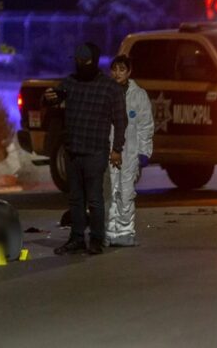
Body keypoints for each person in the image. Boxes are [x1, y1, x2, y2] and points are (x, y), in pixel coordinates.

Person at [44, 43, 128, 255]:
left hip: (95, 151)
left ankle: (97, 240)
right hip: (73, 150)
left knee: (94, 199)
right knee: (75, 200)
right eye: (79, 61)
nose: (82, 65)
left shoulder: (110, 88)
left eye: (86, 61)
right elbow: (53, 98)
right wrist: (48, 97)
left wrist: (117, 148)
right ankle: (77, 239)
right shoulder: (70, 83)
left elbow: (120, 120)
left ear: (95, 61)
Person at [105, 55, 154, 247]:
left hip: (130, 152)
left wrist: (144, 152)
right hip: (109, 151)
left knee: (126, 193)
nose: (117, 73)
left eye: (122, 69)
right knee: (110, 192)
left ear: (129, 72)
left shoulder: (138, 95)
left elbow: (145, 125)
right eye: (115, 69)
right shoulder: (107, 93)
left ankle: (125, 232)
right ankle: (109, 233)